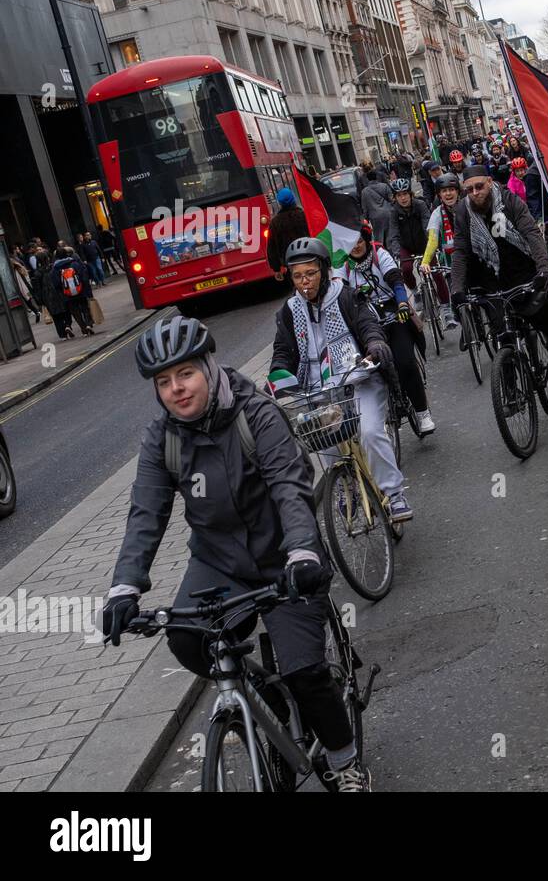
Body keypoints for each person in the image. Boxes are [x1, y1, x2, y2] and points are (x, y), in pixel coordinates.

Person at [99, 316, 371, 791]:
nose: (175, 389)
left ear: (207, 367)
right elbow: (146, 512)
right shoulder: (162, 438)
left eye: (184, 374)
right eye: (163, 382)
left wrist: (304, 553)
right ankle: (267, 699)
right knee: (186, 641)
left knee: (305, 672)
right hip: (219, 563)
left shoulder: (256, 413)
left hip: (285, 559)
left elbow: (290, 486)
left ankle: (344, 760)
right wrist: (124, 586)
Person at [271, 237, 412, 523]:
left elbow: (368, 325)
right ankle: (344, 485)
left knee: (371, 432)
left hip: (360, 379)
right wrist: (276, 378)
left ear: (324, 270)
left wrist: (374, 344)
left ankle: (395, 495)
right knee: (323, 443)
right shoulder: (289, 311)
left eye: (310, 273)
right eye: (297, 276)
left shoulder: (348, 296)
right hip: (318, 391)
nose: (304, 282)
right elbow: (282, 351)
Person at [336, 226, 436, 435]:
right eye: (351, 243)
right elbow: (339, 298)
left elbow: (396, 282)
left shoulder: (379, 254)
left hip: (393, 313)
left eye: (360, 242)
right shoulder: (342, 266)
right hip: (364, 323)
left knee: (405, 362)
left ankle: (422, 412)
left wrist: (401, 304)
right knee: (367, 371)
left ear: (366, 240)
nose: (356, 247)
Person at [449, 165, 548, 355]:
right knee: (501, 335)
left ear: (490, 183)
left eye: (479, 186)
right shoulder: (462, 212)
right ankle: (507, 379)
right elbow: (460, 251)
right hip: (490, 278)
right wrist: (457, 287)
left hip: (521, 270)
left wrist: (543, 268)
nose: (475, 193)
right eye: (469, 190)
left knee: (542, 315)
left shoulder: (509, 201)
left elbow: (531, 233)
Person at [420, 173, 461, 331]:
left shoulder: (467, 205)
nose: (448, 194)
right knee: (457, 298)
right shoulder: (437, 214)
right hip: (451, 265)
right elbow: (432, 240)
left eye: (451, 189)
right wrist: (425, 262)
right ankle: (467, 329)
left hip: (473, 260)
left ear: (458, 191)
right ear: (439, 195)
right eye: (444, 191)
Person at [382, 178, 432, 294]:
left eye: (405, 194)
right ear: (395, 197)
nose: (403, 198)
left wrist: (432, 242)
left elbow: (427, 225)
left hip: (424, 243)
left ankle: (445, 306)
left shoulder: (420, 205)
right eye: (399, 195)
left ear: (410, 194)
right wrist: (396, 252)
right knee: (406, 269)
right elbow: (393, 233)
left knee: (435, 272)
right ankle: (415, 292)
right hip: (406, 246)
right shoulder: (394, 211)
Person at [49, 245, 94, 337]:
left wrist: (62, 292)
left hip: (67, 295)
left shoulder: (55, 268)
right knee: (85, 307)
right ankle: (88, 324)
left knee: (75, 312)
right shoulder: (75, 263)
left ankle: (84, 329)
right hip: (80, 291)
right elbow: (84, 276)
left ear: (56, 257)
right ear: (67, 254)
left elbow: (56, 284)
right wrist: (87, 290)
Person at [267, 187, 308, 281]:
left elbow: (271, 248)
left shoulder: (275, 223)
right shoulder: (303, 215)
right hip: (309, 255)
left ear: (280, 203)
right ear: (293, 199)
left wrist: (276, 269)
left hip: (291, 262)